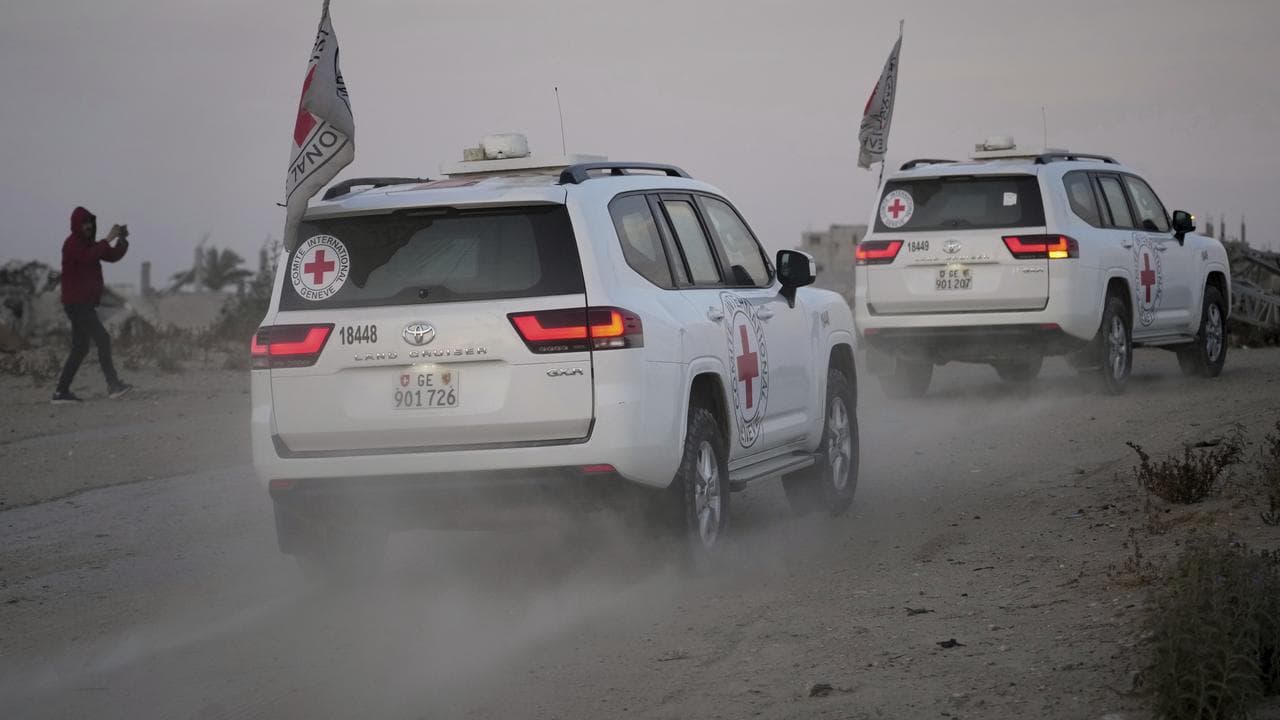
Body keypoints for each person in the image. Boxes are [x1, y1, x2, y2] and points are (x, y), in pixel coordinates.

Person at [52, 206, 133, 404]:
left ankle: (61, 392)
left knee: (80, 348)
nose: (88, 226)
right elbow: (89, 256)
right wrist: (108, 238)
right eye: (84, 223)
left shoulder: (89, 245)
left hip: (83, 304)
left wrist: (121, 241)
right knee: (103, 339)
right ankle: (113, 385)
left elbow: (111, 256)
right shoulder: (72, 244)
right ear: (76, 225)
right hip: (77, 304)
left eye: (90, 223)